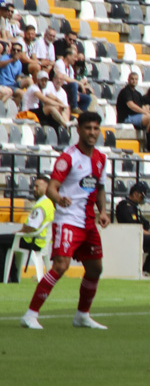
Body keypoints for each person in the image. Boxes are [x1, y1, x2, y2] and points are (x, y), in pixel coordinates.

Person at [20, 113, 110, 330]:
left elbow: (99, 188)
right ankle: (30, 314)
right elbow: (51, 187)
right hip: (68, 220)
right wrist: (59, 199)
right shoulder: (68, 157)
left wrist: (104, 211)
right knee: (61, 266)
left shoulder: (101, 158)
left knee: (96, 268)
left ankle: (82, 315)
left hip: (88, 222)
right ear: (78, 130)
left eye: (96, 128)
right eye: (87, 128)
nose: (92, 132)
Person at [0, 175, 53, 278]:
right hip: (40, 241)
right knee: (7, 242)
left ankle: (5, 276)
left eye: (37, 187)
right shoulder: (49, 203)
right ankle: (12, 274)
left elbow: (31, 227)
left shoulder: (41, 206)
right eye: (34, 186)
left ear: (46, 188)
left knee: (2, 240)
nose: (34, 189)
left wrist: (19, 231)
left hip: (31, 240)